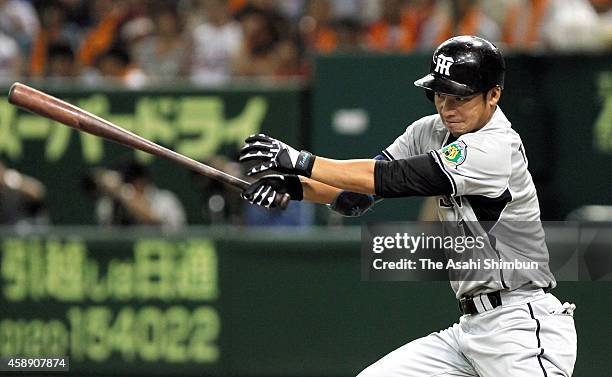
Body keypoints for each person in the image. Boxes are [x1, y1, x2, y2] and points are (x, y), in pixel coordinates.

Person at [237, 36, 577, 376]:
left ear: (494, 95)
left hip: (521, 326)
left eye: (460, 97)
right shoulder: (429, 131)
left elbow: (388, 178)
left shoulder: (497, 147)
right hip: (470, 330)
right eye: (440, 95)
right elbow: (357, 196)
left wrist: (298, 160)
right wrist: (294, 187)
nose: (447, 107)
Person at [90, 160, 186, 232]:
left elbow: (153, 220)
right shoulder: (109, 204)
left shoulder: (164, 200)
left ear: (141, 181)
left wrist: (123, 193)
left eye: (128, 184)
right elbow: (108, 238)